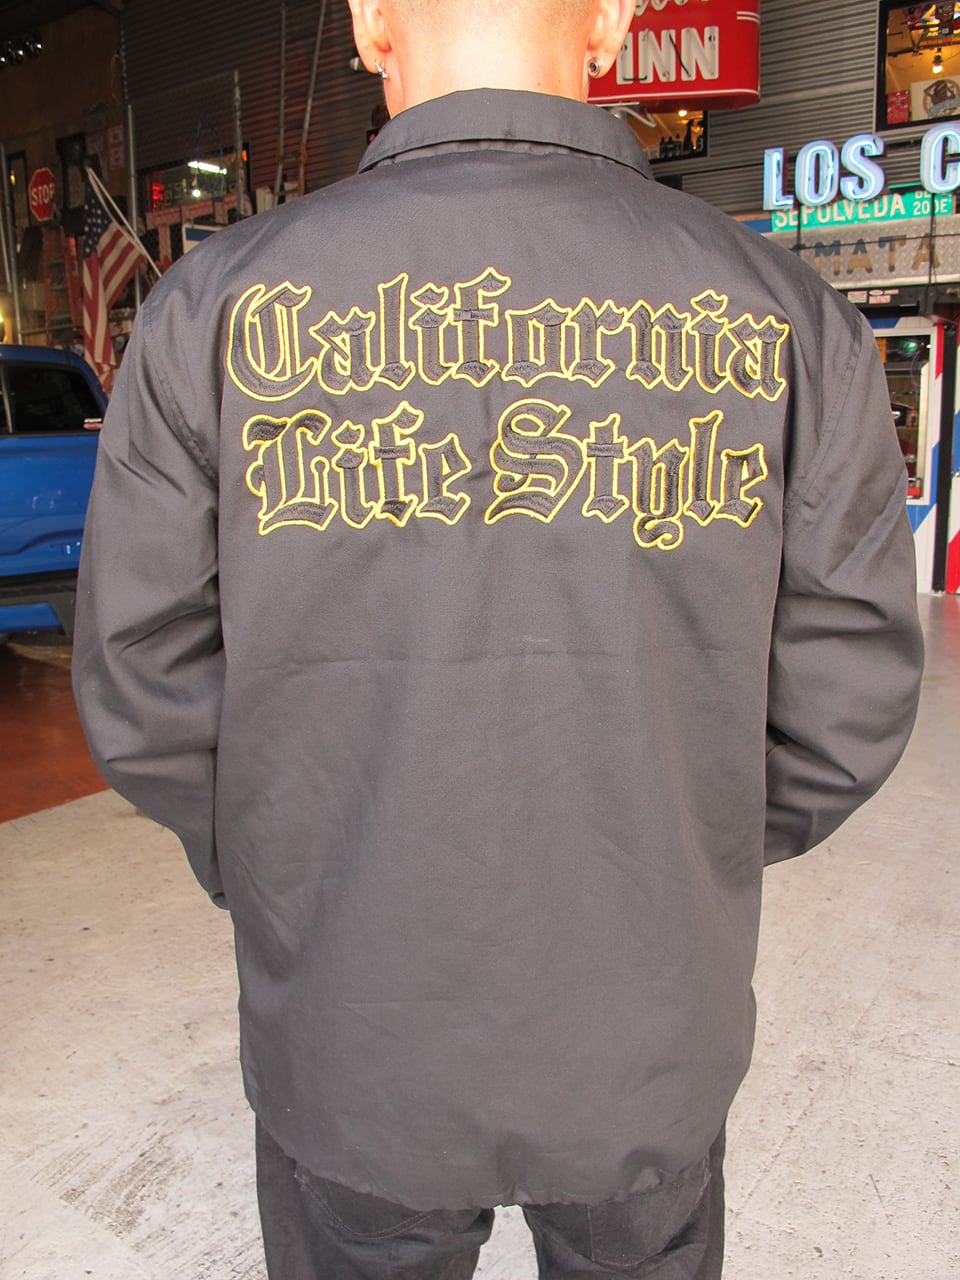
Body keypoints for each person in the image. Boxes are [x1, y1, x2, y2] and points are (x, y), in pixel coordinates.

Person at [72, 1, 924, 1276]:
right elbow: (847, 695)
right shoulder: (788, 315)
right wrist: (675, 844)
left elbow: (143, 674)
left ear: (369, 21)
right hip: (645, 1028)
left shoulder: (212, 309)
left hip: (353, 1025)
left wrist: (290, 861)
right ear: (615, 22)